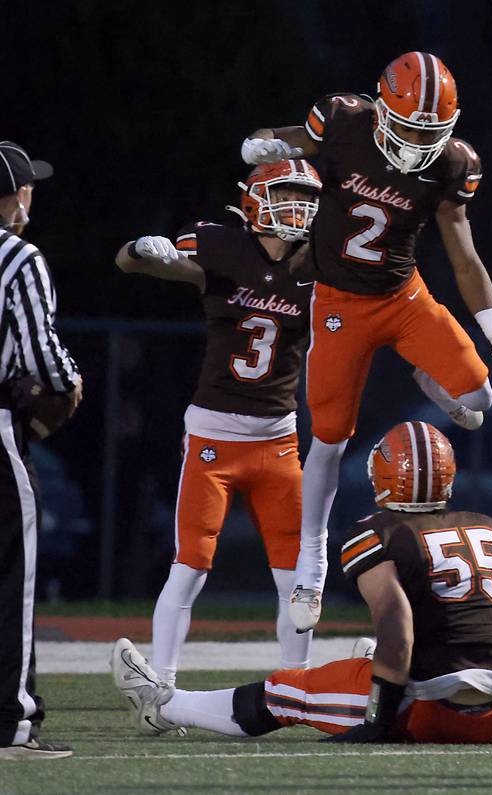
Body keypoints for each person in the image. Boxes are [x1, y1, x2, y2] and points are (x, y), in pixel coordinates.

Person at [240, 51, 492, 632]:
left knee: (476, 404)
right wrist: (264, 143)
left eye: (430, 133)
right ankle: (312, 561)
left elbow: (464, 254)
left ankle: (424, 371)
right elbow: (284, 141)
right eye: (407, 127)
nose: (417, 143)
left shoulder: (452, 165)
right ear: (381, 112)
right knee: (326, 441)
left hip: (404, 297)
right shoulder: (345, 121)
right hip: (338, 303)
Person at [112, 421, 492, 744]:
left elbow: (398, 628)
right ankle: (373, 672)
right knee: (387, 657)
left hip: (432, 709)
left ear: (381, 475)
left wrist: (378, 719)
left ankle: (164, 705)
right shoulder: (488, 527)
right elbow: (470, 620)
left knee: (285, 693)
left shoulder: (377, 534)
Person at [114, 159, 321, 684]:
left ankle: (294, 684)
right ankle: (161, 684)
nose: (298, 208)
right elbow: (131, 264)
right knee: (190, 567)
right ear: (254, 202)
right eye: (286, 194)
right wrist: (143, 249)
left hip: (279, 441)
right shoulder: (222, 247)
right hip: (215, 436)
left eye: (305, 196)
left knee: (294, 576)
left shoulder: (318, 264)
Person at [0, 141, 82, 759]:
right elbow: (43, 357)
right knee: (12, 577)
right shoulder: (18, 256)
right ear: (16, 196)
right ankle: (13, 721)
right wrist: (72, 380)